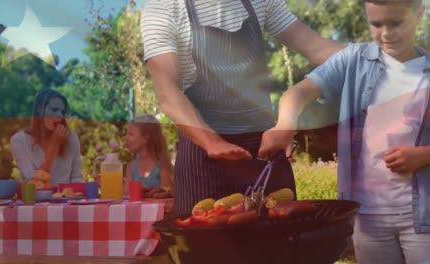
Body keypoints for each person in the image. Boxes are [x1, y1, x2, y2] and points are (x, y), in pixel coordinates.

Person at [260, 0, 430, 263]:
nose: (386, 32)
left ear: (419, 14)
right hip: (367, 216)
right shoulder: (354, 59)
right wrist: (285, 125)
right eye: (376, 23)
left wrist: (424, 155)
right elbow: (297, 94)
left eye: (397, 23)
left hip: (422, 218)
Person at [141, 0, 344, 215]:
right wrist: (212, 142)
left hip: (265, 153)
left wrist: (372, 54)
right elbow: (168, 93)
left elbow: (318, 48)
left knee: (279, 244)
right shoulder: (162, 8)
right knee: (205, 245)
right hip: (203, 158)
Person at [10, 88, 83, 186]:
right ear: (40, 109)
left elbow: (77, 178)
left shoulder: (72, 138)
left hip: (65, 199)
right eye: (54, 110)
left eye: (62, 112)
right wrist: (54, 145)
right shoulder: (19, 141)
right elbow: (34, 183)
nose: (59, 115)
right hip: (36, 201)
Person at [123, 114, 173, 199]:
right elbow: (126, 195)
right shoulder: (131, 167)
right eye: (126, 133)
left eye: (130, 134)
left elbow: (167, 196)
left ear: (145, 138)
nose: (125, 138)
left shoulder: (162, 166)